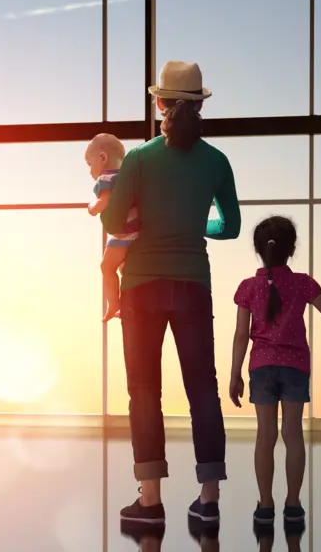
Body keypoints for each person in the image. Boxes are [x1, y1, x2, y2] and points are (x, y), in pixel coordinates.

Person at [101, 60, 241, 527]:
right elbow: (233, 226)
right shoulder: (217, 162)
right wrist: (195, 224)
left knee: (144, 391)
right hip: (193, 286)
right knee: (203, 389)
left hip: (140, 288)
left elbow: (112, 222)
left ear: (159, 104)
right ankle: (208, 498)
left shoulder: (139, 160)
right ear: (199, 106)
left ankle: (150, 499)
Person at [229, 216, 321, 527]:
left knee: (264, 436)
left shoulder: (248, 288)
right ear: (292, 249)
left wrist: (234, 373)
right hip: (295, 368)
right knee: (292, 435)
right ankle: (293, 504)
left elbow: (242, 335)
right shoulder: (303, 283)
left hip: (261, 368)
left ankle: (265, 505)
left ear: (258, 250)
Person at [86, 133, 140, 322]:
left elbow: (104, 200)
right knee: (125, 270)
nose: (90, 170)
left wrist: (92, 209)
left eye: (89, 164)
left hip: (122, 235)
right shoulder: (127, 178)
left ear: (102, 158)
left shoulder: (105, 179)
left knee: (106, 267)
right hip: (137, 232)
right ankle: (129, 303)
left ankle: (114, 305)